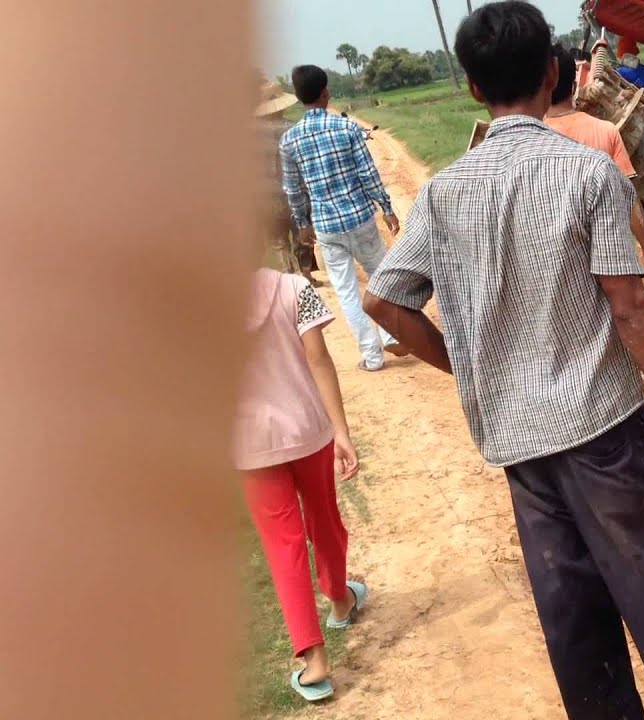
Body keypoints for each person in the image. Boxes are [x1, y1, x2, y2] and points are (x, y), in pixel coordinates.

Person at [362, 3, 644, 718]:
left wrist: (471, 366)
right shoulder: (586, 174)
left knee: (575, 626)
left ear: (473, 89)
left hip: (522, 451)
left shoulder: (445, 192)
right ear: (553, 73)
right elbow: (628, 307)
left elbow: (385, 303)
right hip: (606, 437)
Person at [234, 257, 368, 702]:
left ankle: (314, 661)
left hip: (249, 445)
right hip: (309, 431)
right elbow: (319, 359)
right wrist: (342, 430)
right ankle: (338, 599)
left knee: (282, 543)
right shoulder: (293, 288)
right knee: (324, 516)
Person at [279, 65, 406, 371]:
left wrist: (301, 223)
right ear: (326, 93)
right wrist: (386, 208)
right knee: (379, 277)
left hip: (326, 226)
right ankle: (390, 335)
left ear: (298, 98)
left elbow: (293, 189)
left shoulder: (289, 141)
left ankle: (372, 357)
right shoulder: (347, 129)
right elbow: (367, 173)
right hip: (360, 217)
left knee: (347, 291)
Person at [545, 43, 644, 289]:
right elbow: (628, 197)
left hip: (556, 267)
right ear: (575, 85)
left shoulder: (533, 139)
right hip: (612, 261)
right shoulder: (605, 131)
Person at [256, 82, 320, 286]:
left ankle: (289, 280)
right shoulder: (294, 130)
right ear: (282, 105)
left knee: (277, 240)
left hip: (265, 197)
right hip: (297, 193)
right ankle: (307, 276)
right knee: (304, 233)